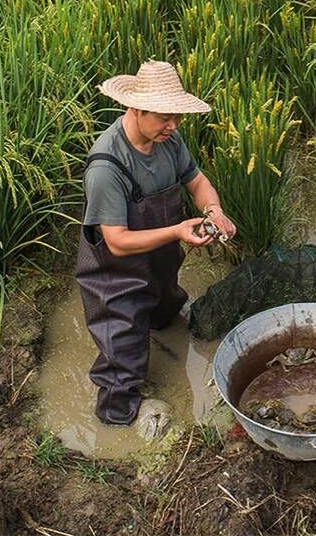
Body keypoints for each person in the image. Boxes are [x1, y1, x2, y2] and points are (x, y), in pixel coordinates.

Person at [76, 60, 236, 427]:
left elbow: (195, 181)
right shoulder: (106, 167)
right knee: (123, 352)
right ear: (135, 108)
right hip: (115, 275)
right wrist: (179, 231)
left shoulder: (168, 140)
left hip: (161, 257)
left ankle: (162, 330)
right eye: (165, 116)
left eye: (177, 116)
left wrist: (214, 210)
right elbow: (116, 242)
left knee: (167, 308)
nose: (174, 125)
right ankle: (117, 419)